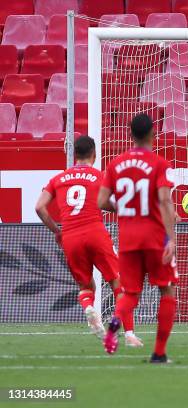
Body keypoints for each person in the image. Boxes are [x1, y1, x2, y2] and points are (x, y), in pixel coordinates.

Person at [35, 135, 142, 347]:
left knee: (86, 285)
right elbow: (107, 203)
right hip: (94, 231)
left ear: (74, 155)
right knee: (118, 282)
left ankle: (88, 309)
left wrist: (57, 231)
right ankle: (129, 334)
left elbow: (39, 207)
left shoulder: (58, 179)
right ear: (94, 154)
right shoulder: (99, 175)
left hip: (70, 236)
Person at [98, 113, 177, 363]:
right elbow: (164, 200)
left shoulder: (115, 164)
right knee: (167, 290)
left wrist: (123, 207)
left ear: (130, 134)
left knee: (130, 293)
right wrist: (171, 238)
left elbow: (101, 201)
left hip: (128, 238)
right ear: (153, 134)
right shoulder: (159, 164)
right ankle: (159, 353)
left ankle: (113, 324)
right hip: (154, 238)